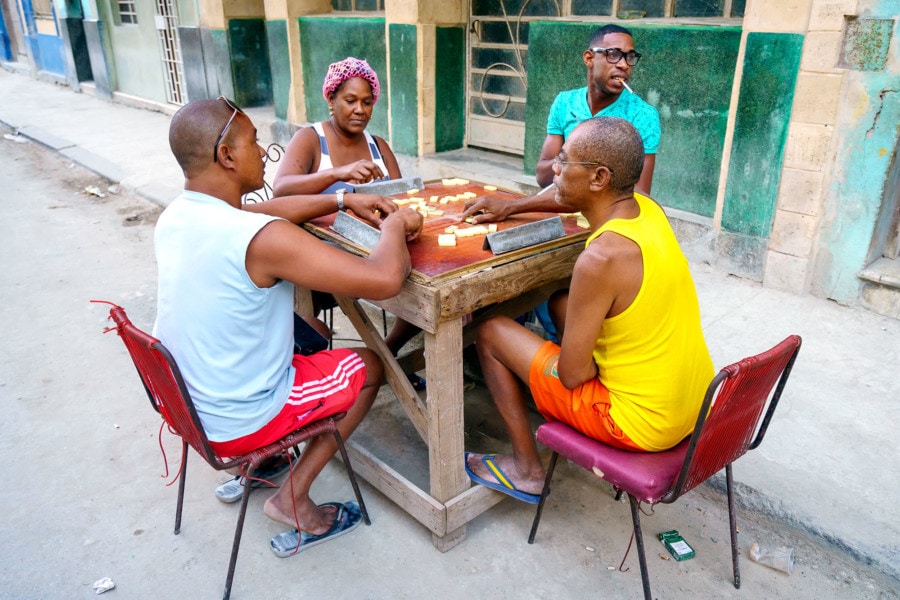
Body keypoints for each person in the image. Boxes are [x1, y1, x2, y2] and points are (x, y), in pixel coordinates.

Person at [154, 97, 422, 555]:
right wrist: (396, 225)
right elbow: (383, 280)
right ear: (227, 156)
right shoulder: (262, 240)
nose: (264, 152)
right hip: (238, 419)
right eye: (255, 142)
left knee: (305, 330)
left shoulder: (178, 215)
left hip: (187, 405)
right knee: (370, 366)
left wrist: (342, 198)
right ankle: (292, 498)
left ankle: (265, 462)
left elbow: (262, 214)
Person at [463, 117, 713, 504]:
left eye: (564, 162)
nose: (554, 171)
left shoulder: (600, 258)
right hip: (692, 405)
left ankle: (528, 471)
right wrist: (510, 207)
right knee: (561, 301)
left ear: (598, 178)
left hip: (638, 425)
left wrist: (582, 364)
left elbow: (573, 374)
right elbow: (561, 195)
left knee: (491, 331)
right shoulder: (646, 209)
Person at [273, 57, 423, 386]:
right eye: (350, 100)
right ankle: (365, 366)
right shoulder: (311, 139)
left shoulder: (377, 146)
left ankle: (387, 353)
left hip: (374, 245)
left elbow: (402, 198)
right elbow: (281, 189)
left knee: (422, 279)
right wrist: (339, 173)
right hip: (324, 254)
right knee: (398, 276)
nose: (359, 110)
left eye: (367, 102)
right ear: (331, 100)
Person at [460, 24, 659, 224]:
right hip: (562, 219)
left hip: (610, 225)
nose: (624, 64)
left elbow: (638, 195)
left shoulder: (642, 116)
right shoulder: (565, 103)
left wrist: (512, 206)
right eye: (613, 54)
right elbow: (543, 175)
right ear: (589, 58)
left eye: (630, 57)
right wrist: (579, 162)